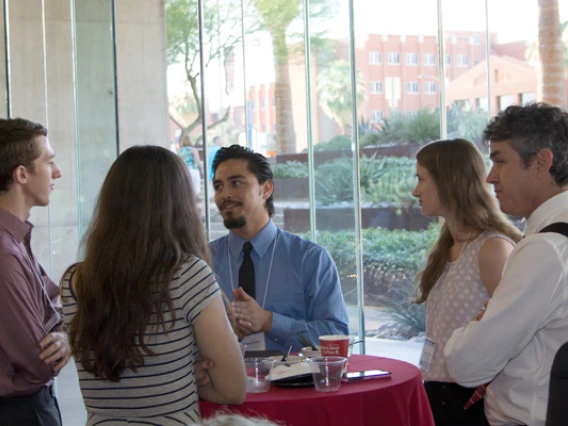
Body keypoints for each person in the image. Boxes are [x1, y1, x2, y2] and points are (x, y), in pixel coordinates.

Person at [60, 146, 246, 425]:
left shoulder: (75, 281)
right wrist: (185, 376)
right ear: (178, 204)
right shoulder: (188, 275)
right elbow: (233, 389)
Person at [444, 103, 568, 426]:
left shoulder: (546, 249)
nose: (490, 176)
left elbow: (466, 363)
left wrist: (476, 326)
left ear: (541, 162)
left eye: (500, 160)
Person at [412, 138, 522, 426]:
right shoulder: (447, 246)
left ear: (448, 181)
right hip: (437, 391)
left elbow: (513, 333)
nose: (415, 191)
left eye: (421, 179)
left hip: (472, 400)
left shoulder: (492, 248)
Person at [209, 145, 349, 352]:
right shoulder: (204, 260)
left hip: (295, 381)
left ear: (265, 189)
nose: (224, 194)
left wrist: (269, 322)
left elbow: (336, 335)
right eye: (218, 186)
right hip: (224, 383)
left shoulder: (310, 259)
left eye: (236, 183)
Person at [0, 117, 69, 425]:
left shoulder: (15, 238)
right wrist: (62, 338)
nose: (57, 173)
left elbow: (56, 308)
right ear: (22, 174)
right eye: (49, 162)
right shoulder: (4, 251)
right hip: (19, 413)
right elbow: (39, 362)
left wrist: (64, 336)